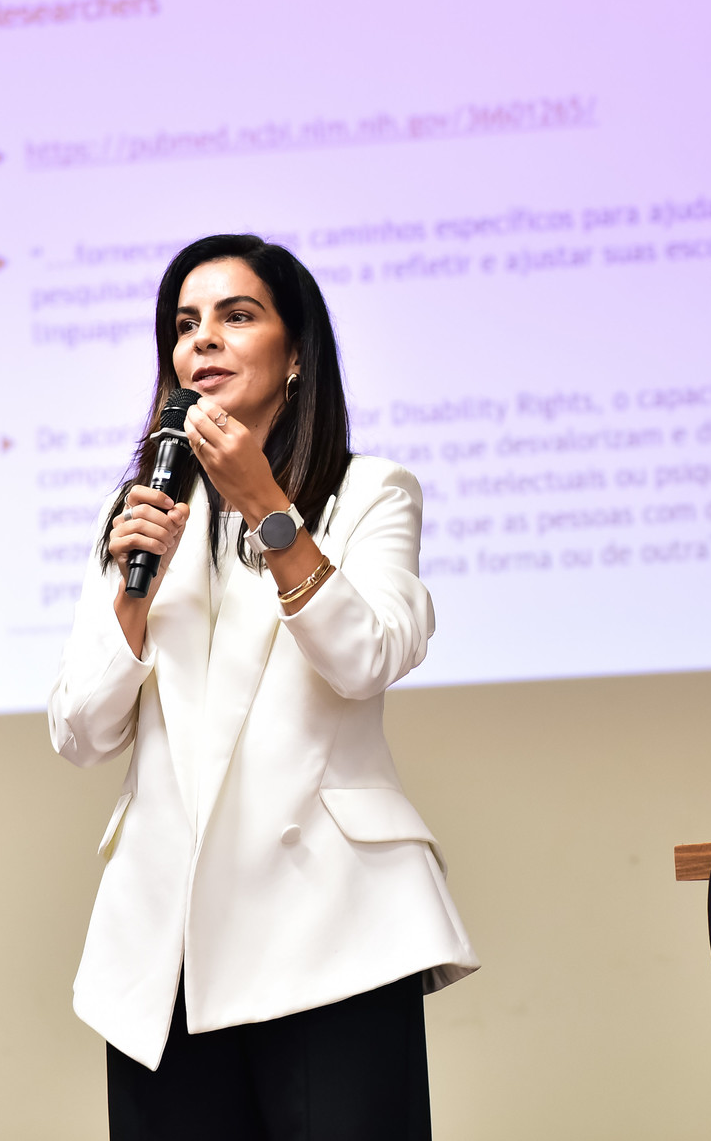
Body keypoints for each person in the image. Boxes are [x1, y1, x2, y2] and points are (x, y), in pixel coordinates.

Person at [50, 233, 476, 1141]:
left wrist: (267, 507)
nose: (203, 338)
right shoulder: (140, 511)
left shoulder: (370, 492)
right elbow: (80, 732)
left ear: (295, 356)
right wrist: (134, 591)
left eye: (236, 316)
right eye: (185, 324)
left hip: (332, 933)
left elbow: (367, 656)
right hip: (164, 950)